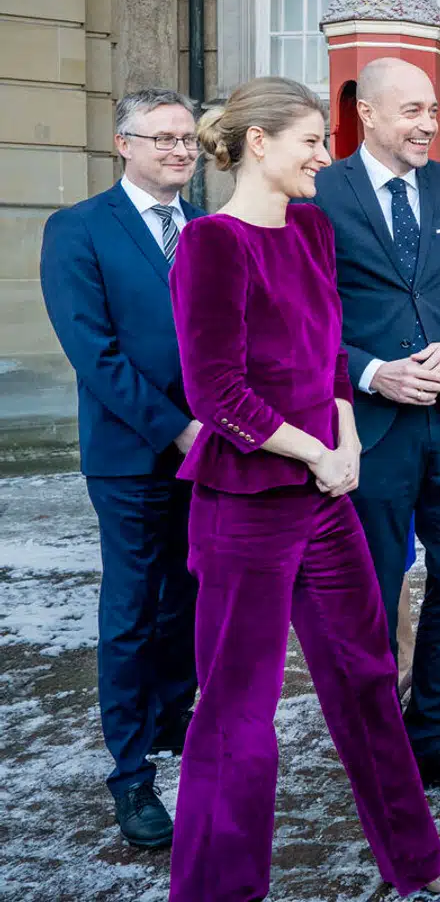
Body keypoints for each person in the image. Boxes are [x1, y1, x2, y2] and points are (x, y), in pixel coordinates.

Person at [167, 76, 440, 899]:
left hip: (326, 496)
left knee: (368, 676)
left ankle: (416, 859)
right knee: (237, 709)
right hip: (246, 507)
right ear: (258, 143)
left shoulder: (310, 228)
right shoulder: (210, 244)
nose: (322, 156)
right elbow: (216, 392)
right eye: (309, 141)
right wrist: (316, 452)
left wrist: (346, 441)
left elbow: (332, 350)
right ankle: (218, 890)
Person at [312, 58, 440, 797]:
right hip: (369, 428)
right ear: (367, 113)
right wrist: (371, 372)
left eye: (434, 111)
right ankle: (376, 751)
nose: (429, 124)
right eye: (413, 112)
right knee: (370, 592)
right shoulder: (320, 194)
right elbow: (303, 322)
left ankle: (430, 738)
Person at [39, 88, 203, 849]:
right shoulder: (78, 228)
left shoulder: (208, 228)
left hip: (211, 450)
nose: (179, 149)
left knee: (191, 596)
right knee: (133, 609)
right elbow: (93, 351)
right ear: (123, 144)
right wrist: (176, 429)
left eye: (187, 138)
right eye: (162, 137)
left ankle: (174, 720)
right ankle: (131, 774)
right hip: (131, 454)